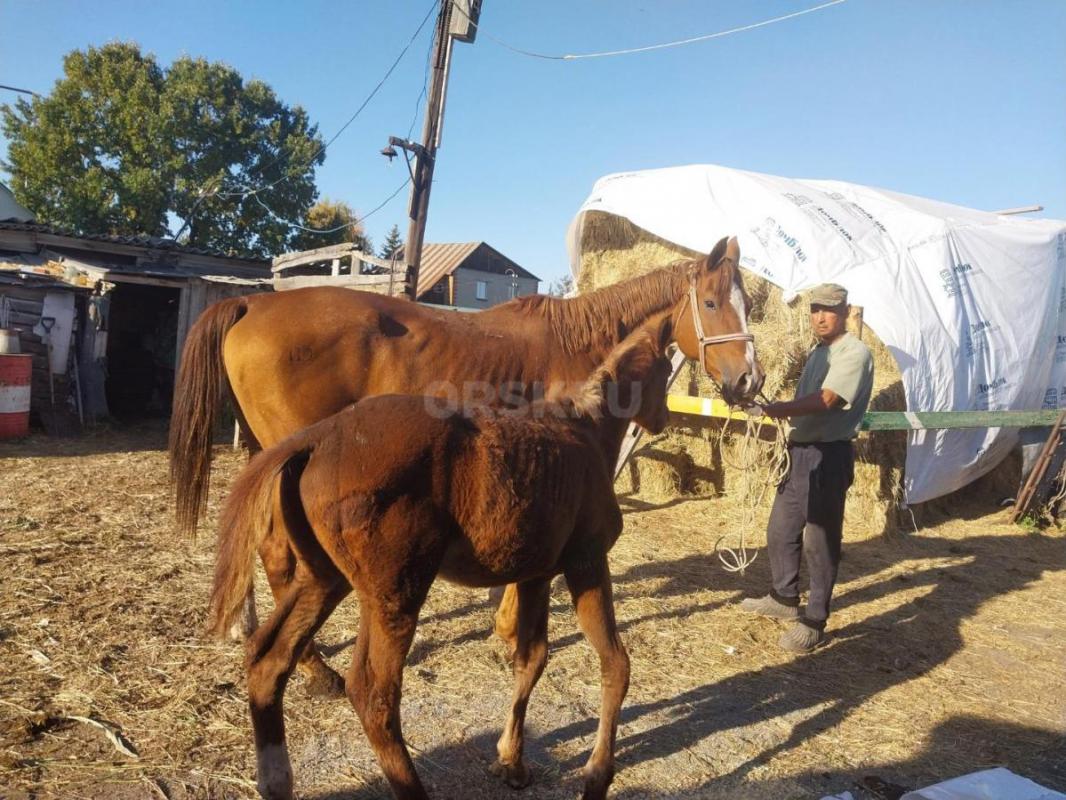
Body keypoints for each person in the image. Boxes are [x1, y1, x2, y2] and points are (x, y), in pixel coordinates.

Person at [739, 283, 874, 653]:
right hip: (800, 453)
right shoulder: (819, 353)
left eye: (828, 310)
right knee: (780, 530)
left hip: (826, 457)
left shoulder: (854, 353)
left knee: (819, 540)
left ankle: (814, 619)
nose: (820, 316)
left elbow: (828, 400)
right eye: (815, 309)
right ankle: (784, 598)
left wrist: (773, 410)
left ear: (846, 311)